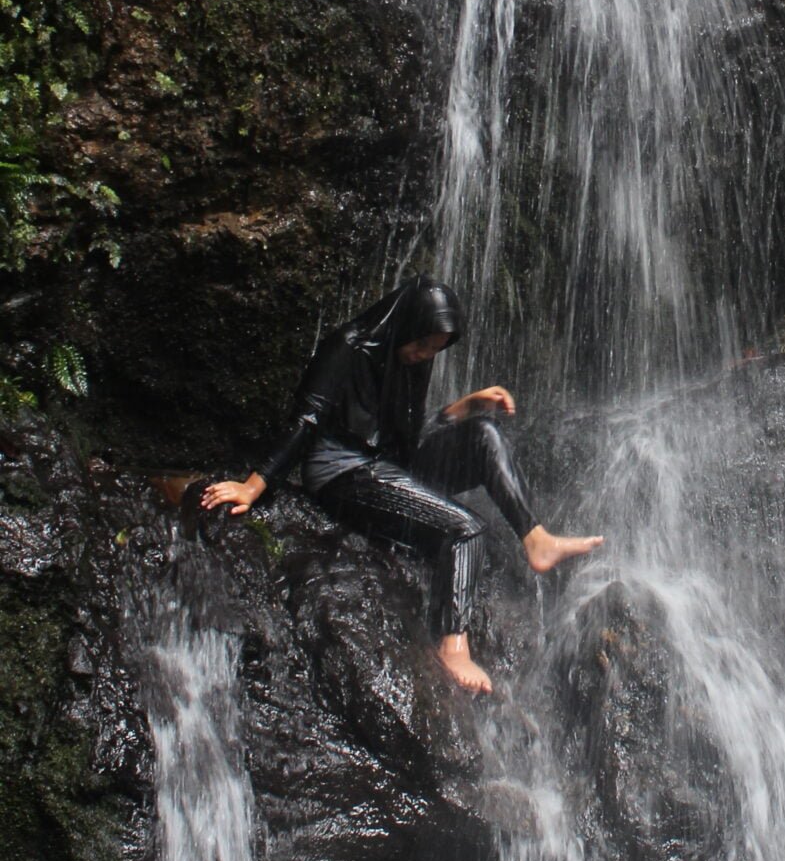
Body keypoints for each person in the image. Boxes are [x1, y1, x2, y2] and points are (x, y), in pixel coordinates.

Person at [201, 275, 602, 695]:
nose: (426, 354)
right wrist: (254, 484)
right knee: (466, 529)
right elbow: (307, 421)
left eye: (435, 348)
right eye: (423, 344)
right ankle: (453, 648)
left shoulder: (411, 358)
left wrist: (463, 408)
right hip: (343, 474)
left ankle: (536, 539)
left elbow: (404, 436)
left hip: (390, 465)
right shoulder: (348, 346)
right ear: (405, 323)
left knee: (484, 433)